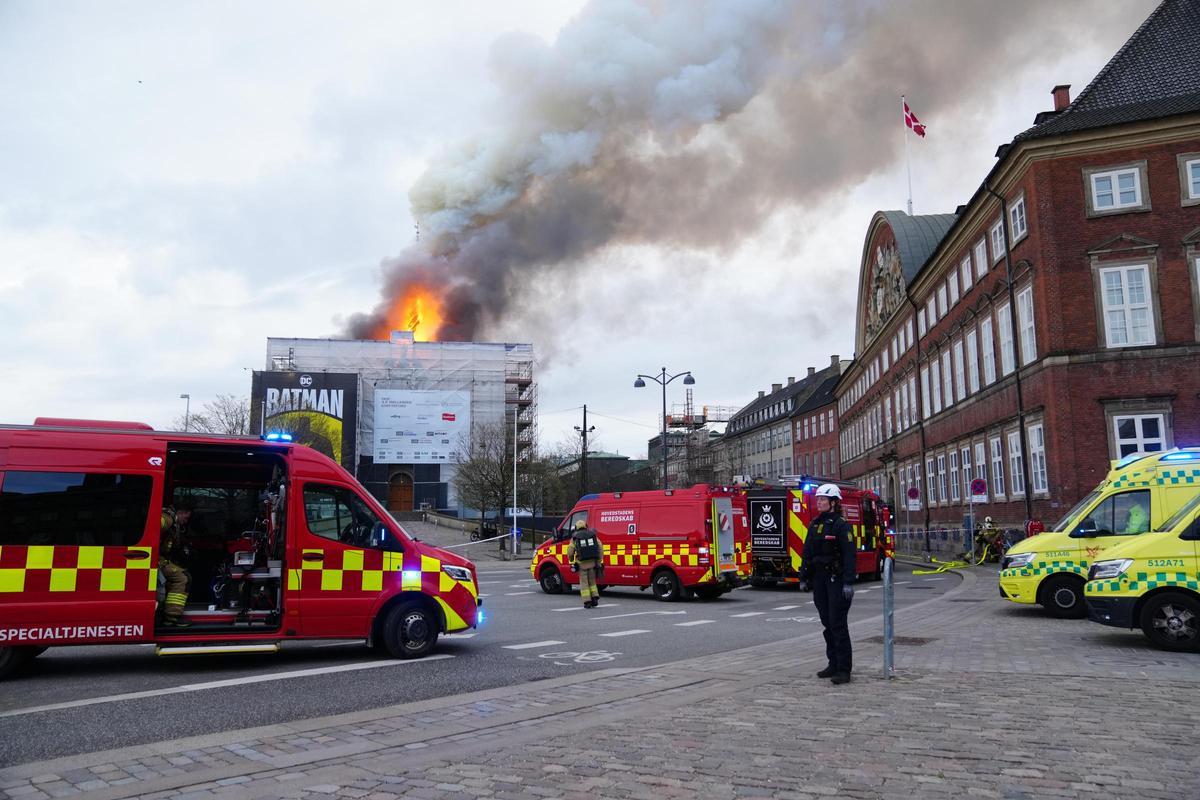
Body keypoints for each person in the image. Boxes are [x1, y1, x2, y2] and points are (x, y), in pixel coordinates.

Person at [799, 483, 856, 684]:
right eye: (819, 499)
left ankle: (843, 669)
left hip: (836, 580)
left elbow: (850, 556)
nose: (819, 502)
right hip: (820, 580)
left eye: (823, 499)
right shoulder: (815, 524)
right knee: (827, 623)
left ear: (833, 502)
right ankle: (833, 663)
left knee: (837, 624)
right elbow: (807, 552)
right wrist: (803, 577)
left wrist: (848, 582)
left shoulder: (841, 525)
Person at [159, 504, 193, 627]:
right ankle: (172, 617)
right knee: (183, 578)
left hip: (160, 560)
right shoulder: (168, 518)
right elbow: (153, 526)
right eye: (186, 518)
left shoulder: (174, 524)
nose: (186, 521)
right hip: (154, 561)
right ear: (181, 512)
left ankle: (166, 614)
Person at [567, 519, 604, 609]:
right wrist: (598, 561)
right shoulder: (592, 535)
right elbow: (600, 547)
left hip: (582, 564)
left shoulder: (575, 538)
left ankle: (587, 601)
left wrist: (571, 559)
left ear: (576, 528)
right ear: (585, 526)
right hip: (592, 563)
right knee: (592, 581)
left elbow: (570, 551)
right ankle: (595, 597)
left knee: (584, 583)